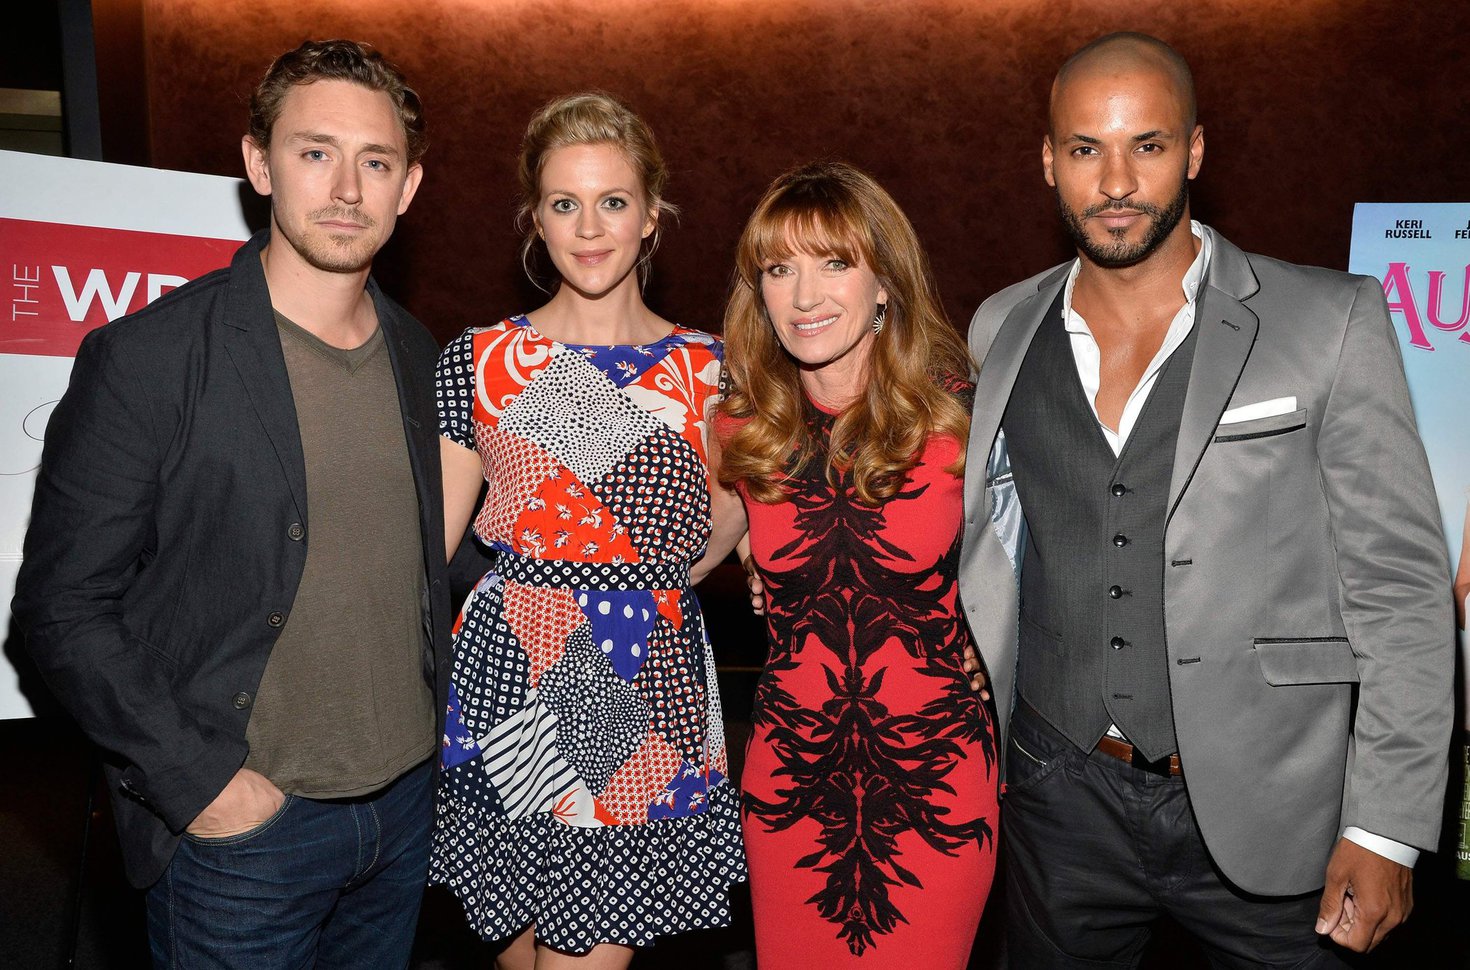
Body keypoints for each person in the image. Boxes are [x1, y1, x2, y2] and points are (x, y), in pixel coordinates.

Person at [957, 32, 1453, 967]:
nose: (1115, 181)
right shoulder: (1001, 327)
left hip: (1276, 803)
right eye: (1085, 149)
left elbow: (1399, 589)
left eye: (1146, 145)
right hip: (1058, 798)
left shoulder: (1330, 319)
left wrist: (1385, 828)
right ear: (1048, 161)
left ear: (1192, 151)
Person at [12, 40, 449, 967]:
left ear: (408, 187)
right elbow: (60, 609)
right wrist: (202, 784)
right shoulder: (150, 358)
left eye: (376, 162)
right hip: (244, 837)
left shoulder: (422, 355)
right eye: (315, 151)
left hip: (407, 811)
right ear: (259, 164)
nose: (347, 188)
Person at [430, 91, 745, 969]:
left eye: (613, 201)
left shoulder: (714, 369)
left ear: (651, 215)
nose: (590, 227)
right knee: (522, 951)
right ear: (536, 221)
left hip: (640, 680)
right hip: (505, 672)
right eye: (564, 204)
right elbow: (426, 551)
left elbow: (744, 526)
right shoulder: (481, 360)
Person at [714, 161, 998, 970]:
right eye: (779, 269)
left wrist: (999, 652)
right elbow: (673, 559)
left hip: (935, 777)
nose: (804, 296)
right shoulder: (742, 428)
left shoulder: (964, 414)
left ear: (884, 285)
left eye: (834, 263)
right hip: (790, 779)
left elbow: (1044, 567)